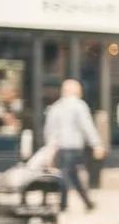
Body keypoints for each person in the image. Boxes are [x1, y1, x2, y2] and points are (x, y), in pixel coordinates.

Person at [43, 78, 104, 211]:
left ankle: (85, 203)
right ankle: (65, 205)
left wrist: (50, 148)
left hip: (60, 147)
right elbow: (87, 126)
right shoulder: (79, 105)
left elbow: (49, 130)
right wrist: (96, 144)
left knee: (70, 174)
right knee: (67, 174)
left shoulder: (56, 107)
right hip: (73, 146)